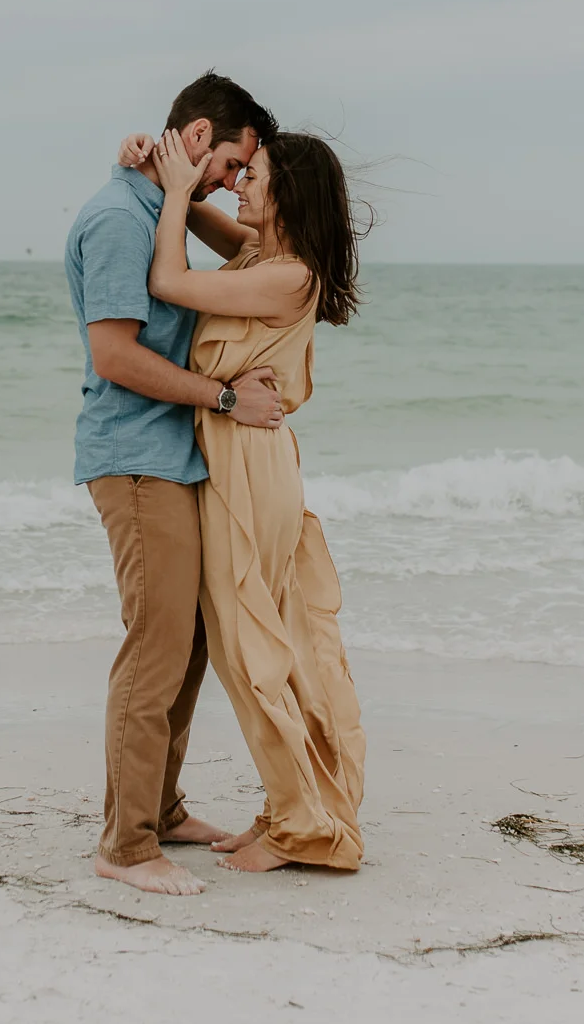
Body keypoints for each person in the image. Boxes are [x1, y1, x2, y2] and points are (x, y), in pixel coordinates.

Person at [121, 122, 367, 873]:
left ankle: (302, 825)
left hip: (248, 460)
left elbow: (167, 282)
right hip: (238, 454)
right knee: (259, 642)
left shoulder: (286, 273)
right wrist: (170, 181)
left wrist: (168, 196)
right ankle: (286, 809)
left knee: (251, 643)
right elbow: (205, 217)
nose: (239, 183)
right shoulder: (261, 252)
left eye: (252, 175)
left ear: (287, 194)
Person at [64, 72, 284, 897]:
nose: (233, 185)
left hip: (170, 454)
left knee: (186, 644)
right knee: (154, 651)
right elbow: (115, 357)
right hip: (134, 457)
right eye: (229, 165)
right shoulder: (121, 221)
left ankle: (158, 809)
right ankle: (124, 847)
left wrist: (181, 191)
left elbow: (245, 253)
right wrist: (225, 397)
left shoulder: (150, 208)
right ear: (196, 138)